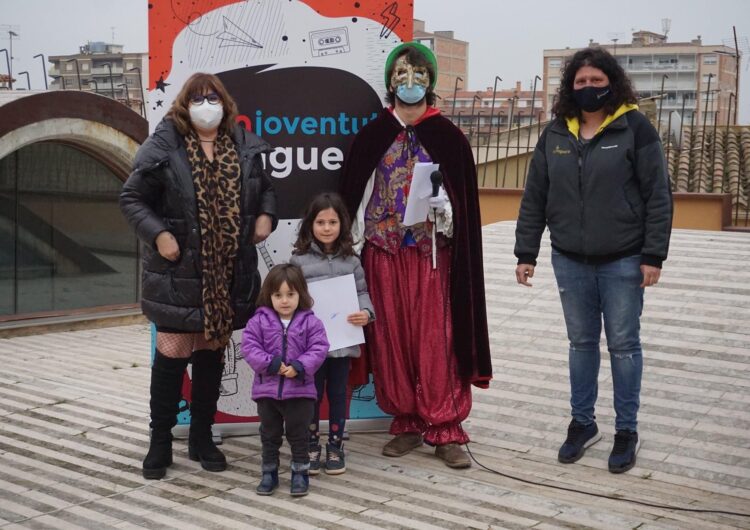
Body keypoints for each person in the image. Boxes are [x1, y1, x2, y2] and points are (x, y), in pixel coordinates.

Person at [514, 47, 672, 473]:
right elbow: (535, 198)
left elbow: (658, 195)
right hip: (570, 260)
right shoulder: (555, 135)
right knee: (581, 345)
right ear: (570, 87)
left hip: (624, 259)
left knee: (623, 346)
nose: (588, 88)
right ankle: (583, 424)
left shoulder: (634, 128)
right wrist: (525, 252)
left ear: (611, 83)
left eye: (596, 81)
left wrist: (653, 254)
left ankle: (626, 431)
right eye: (580, 82)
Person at [340, 42, 492, 469]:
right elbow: (352, 196)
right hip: (382, 252)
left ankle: (445, 428)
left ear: (431, 82)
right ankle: (406, 419)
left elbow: (465, 203)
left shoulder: (449, 137)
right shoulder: (372, 136)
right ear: (389, 82)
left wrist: (448, 212)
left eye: (419, 75)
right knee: (391, 339)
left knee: (436, 339)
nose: (410, 83)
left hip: (432, 256)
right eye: (401, 75)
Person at [120, 72, 277, 480]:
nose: (207, 105)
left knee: (210, 356)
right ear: (183, 105)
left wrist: (265, 214)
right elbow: (132, 197)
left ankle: (202, 437)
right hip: (176, 273)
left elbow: (266, 189)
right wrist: (160, 235)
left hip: (226, 271)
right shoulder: (165, 146)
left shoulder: (243, 146)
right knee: (171, 356)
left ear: (225, 103)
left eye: (213, 97)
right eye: (198, 98)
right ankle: (160, 440)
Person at [289, 192, 375, 476]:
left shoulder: (352, 260)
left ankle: (336, 446)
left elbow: (362, 293)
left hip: (342, 344)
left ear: (343, 225)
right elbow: (291, 297)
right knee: (310, 395)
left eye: (333, 222)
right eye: (320, 222)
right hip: (309, 347)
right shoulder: (298, 261)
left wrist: (366, 313)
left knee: (338, 394)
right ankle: (311, 444)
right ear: (310, 225)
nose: (327, 228)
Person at [242, 264, 329, 496]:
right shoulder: (258, 321)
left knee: (299, 435)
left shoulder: (311, 322)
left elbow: (319, 348)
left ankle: (300, 473)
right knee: (269, 435)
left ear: (300, 294)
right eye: (277, 295)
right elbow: (249, 347)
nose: (284, 301)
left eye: (290, 294)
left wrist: (299, 367)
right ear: (268, 296)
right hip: (267, 392)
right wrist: (270, 363)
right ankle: (269, 473)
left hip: (300, 392)